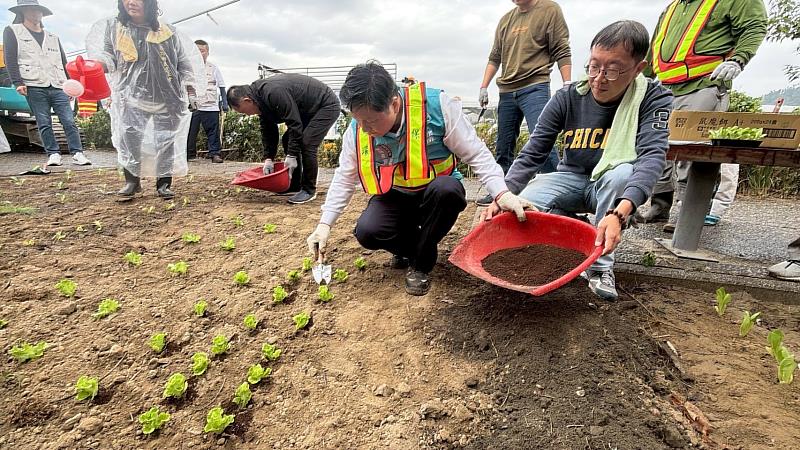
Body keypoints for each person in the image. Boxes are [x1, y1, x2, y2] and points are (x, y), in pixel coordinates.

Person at [481, 21, 674, 300]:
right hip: (572, 178)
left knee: (621, 174)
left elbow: (652, 156)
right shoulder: (569, 96)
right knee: (526, 200)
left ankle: (600, 267)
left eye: (612, 69)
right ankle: (574, 233)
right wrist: (504, 193)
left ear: (637, 68)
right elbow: (534, 151)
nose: (598, 78)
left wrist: (622, 211)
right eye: (594, 66)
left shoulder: (652, 99)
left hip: (610, 185)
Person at [305, 62, 532, 296]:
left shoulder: (438, 108)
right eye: (358, 120)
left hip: (435, 197)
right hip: (395, 196)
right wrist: (324, 225)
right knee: (367, 231)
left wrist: (502, 193)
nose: (363, 128)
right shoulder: (357, 129)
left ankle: (421, 264)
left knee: (447, 190)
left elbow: (476, 154)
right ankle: (420, 248)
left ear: (394, 104)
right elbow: (344, 177)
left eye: (370, 121)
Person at [637, 0, 767, 228]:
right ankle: (659, 207)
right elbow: (654, 46)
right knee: (659, 149)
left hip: (704, 83)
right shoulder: (673, 7)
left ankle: (689, 216)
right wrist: (643, 75)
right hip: (665, 89)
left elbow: (754, 26)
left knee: (693, 152)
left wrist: (739, 58)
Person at [87, 0, 204, 199]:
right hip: (131, 97)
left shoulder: (168, 32)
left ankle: (164, 184)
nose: (131, 2)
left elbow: (184, 64)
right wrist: (97, 66)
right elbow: (108, 57)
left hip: (168, 98)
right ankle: (132, 182)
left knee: (165, 141)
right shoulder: (115, 29)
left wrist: (191, 92)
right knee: (130, 139)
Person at [475, 0, 572, 206]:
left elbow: (562, 49)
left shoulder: (549, 10)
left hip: (535, 86)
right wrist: (484, 86)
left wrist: (567, 84)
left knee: (542, 140)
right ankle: (501, 192)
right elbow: (495, 57)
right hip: (507, 90)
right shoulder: (506, 20)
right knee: (504, 145)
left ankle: (560, 195)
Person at [227, 74, 341, 204]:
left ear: (247, 100)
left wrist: (292, 155)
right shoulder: (259, 99)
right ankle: (294, 184)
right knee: (288, 139)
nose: (247, 115)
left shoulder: (272, 92)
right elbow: (268, 130)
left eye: (243, 111)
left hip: (325, 105)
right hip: (307, 110)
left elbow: (294, 124)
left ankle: (309, 190)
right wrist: (268, 158)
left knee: (307, 143)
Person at [3, 0, 90, 167]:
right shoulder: (13, 31)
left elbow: (63, 62)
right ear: (23, 12)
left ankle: (78, 153)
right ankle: (53, 154)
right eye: (31, 10)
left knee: (69, 120)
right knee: (43, 121)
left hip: (58, 84)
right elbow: (10, 58)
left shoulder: (53, 37)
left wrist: (69, 85)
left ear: (42, 13)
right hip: (33, 83)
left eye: (38, 11)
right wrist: (17, 82)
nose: (35, 13)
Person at [187, 39, 228, 163]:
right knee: (190, 131)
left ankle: (215, 154)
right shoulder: (187, 68)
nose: (200, 54)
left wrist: (224, 102)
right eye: (197, 51)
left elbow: (221, 86)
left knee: (213, 132)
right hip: (193, 106)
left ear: (207, 52)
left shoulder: (213, 68)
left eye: (203, 51)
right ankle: (189, 154)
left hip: (210, 106)